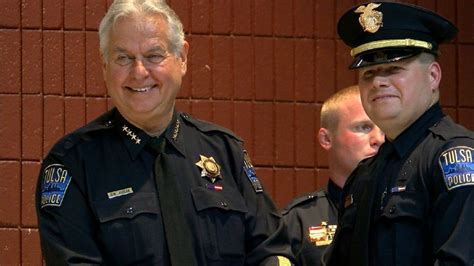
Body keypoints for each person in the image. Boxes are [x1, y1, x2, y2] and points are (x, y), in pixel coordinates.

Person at [35, 0, 293, 265]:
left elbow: (272, 251)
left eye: (154, 56)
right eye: (123, 58)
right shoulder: (73, 164)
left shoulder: (226, 152)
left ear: (181, 58)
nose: (139, 72)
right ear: (104, 66)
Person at [323, 2, 474, 266]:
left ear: (433, 76)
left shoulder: (454, 159)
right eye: (368, 73)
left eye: (394, 69)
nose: (379, 81)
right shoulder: (364, 175)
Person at [282, 85, 384, 266]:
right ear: (327, 139)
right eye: (363, 127)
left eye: (384, 128)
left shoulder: (407, 208)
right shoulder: (298, 221)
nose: (379, 139)